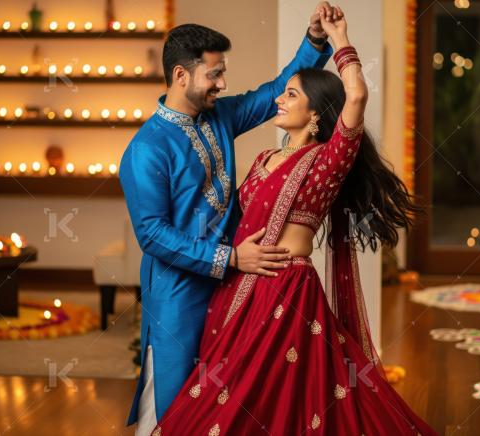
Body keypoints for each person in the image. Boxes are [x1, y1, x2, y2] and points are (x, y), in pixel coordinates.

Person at [146, 7, 437, 435]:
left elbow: (355, 97)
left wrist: (337, 37)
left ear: (317, 114)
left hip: (287, 292)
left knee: (277, 399)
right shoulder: (265, 159)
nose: (278, 99)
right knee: (226, 397)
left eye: (291, 95)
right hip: (238, 286)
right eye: (282, 94)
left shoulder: (326, 161)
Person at [119, 3, 340, 435]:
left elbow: (276, 90)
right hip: (180, 295)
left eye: (223, 72)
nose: (223, 83)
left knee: (233, 409)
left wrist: (315, 40)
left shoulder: (219, 116)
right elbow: (152, 234)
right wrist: (230, 257)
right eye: (214, 74)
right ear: (181, 75)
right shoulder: (146, 149)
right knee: (174, 409)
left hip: (236, 288)